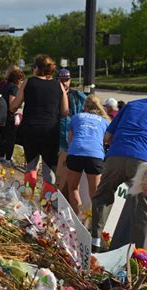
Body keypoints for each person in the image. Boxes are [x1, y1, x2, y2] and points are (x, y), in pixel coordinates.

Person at [91, 80, 147, 253]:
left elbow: (107, 137)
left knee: (102, 196)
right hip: (142, 162)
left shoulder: (131, 105)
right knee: (145, 208)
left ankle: (96, 242)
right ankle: (141, 259)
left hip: (115, 156)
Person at [10, 54, 68, 198]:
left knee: (31, 166)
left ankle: (28, 199)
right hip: (50, 131)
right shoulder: (58, 85)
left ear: (36, 68)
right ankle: (47, 204)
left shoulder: (29, 83)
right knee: (49, 169)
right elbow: (65, 111)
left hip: (31, 130)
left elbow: (14, 106)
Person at [66, 95, 110, 215]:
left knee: (73, 188)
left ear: (84, 107)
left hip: (76, 151)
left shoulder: (76, 117)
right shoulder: (105, 121)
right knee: (94, 193)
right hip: (95, 155)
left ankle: (78, 219)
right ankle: (94, 223)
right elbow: (107, 139)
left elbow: (70, 140)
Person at [55, 68, 87, 199]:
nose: (64, 83)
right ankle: (53, 199)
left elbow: (89, 108)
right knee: (56, 173)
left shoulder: (77, 96)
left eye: (66, 80)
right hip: (57, 138)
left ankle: (66, 200)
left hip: (72, 139)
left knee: (71, 176)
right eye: (61, 80)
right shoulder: (53, 94)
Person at [0, 68, 25, 166]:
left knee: (2, 136)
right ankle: (8, 159)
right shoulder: (14, 88)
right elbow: (12, 104)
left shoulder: (3, 85)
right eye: (21, 80)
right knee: (10, 138)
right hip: (9, 115)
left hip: (0, 113)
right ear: (18, 79)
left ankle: (0, 156)